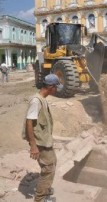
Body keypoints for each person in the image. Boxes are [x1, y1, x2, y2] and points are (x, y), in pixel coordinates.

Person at [22, 74, 63, 202]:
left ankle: (45, 190)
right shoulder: (36, 101)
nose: (56, 90)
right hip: (40, 142)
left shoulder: (42, 98)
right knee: (48, 168)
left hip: (45, 140)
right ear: (51, 87)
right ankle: (40, 199)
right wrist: (33, 146)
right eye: (56, 87)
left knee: (52, 162)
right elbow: (29, 122)